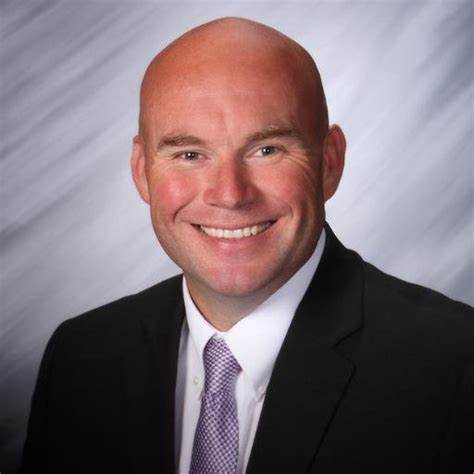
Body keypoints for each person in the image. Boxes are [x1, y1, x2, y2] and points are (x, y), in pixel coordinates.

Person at [20, 17, 473, 474]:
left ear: (329, 162)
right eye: (189, 154)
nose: (230, 194)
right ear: (142, 172)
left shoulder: (454, 364)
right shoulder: (81, 358)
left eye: (267, 150)